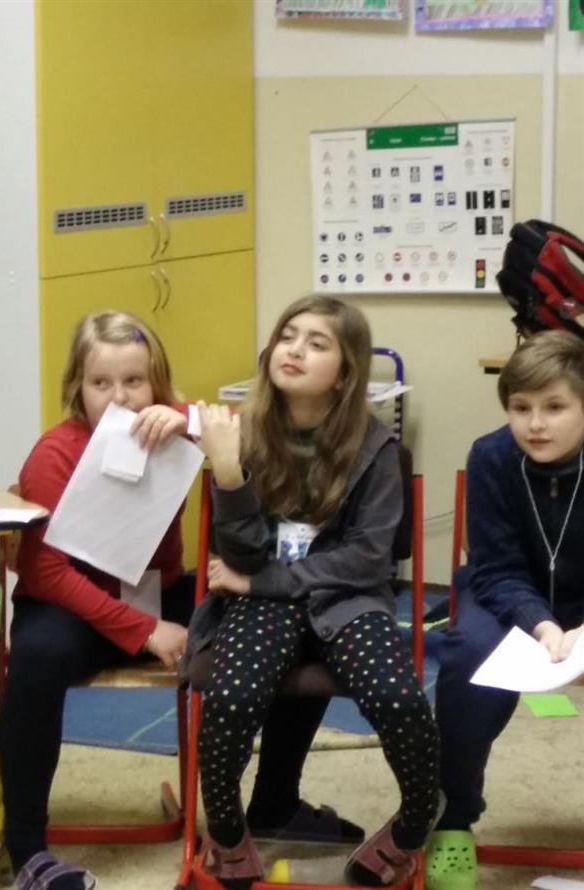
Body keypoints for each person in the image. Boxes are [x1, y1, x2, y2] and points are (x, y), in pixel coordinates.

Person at [0, 310, 360, 890]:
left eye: (134, 381)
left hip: (154, 589)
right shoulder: (56, 451)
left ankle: (274, 800)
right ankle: (26, 849)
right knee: (37, 658)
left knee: (292, 623)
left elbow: (246, 424)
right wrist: (142, 631)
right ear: (77, 388)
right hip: (72, 603)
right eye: (101, 383)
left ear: (157, 384)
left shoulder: (170, 429)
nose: (120, 397)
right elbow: (45, 572)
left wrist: (185, 415)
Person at [191, 296, 440, 889]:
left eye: (317, 343)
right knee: (231, 698)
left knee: (400, 700)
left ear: (345, 373)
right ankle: (225, 831)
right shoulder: (244, 433)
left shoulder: (376, 449)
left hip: (346, 598)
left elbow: (367, 559)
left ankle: (413, 825)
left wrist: (268, 580)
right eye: (288, 336)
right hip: (260, 601)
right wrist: (227, 471)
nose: (295, 350)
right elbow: (242, 555)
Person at [425, 330, 584, 890]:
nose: (535, 424)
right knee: (469, 656)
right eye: (521, 408)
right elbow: (495, 568)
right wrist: (542, 625)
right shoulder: (491, 456)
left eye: (555, 407)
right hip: (506, 593)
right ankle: (454, 817)